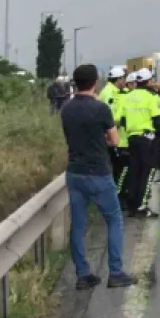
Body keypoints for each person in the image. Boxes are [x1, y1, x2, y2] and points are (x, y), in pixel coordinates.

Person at [60, 64, 137, 289]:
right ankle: (115, 272)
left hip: (74, 172)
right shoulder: (101, 108)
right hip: (98, 172)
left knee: (78, 225)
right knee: (114, 219)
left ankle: (83, 275)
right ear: (95, 82)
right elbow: (114, 140)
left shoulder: (66, 109)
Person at [119, 69, 160, 218]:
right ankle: (142, 205)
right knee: (147, 172)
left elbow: (123, 120)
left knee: (135, 172)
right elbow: (157, 121)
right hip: (148, 139)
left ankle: (132, 205)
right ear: (149, 81)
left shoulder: (128, 96)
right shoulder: (150, 97)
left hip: (132, 138)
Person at [99, 66, 127, 184]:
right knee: (117, 169)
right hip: (112, 136)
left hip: (110, 136)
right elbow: (110, 118)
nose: (124, 81)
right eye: (123, 79)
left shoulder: (109, 91)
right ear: (118, 79)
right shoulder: (110, 94)